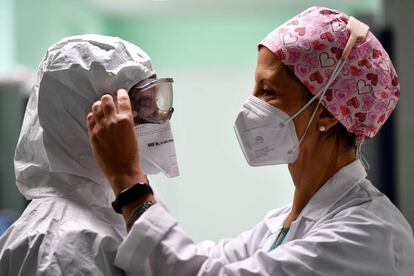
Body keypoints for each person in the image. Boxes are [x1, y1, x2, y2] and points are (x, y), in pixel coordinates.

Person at [88, 7, 414, 275]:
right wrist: (135, 172)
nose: (250, 105)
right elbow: (200, 260)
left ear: (327, 113)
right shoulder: (283, 222)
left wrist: (128, 180)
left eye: (267, 91)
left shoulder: (368, 236)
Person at [0, 34, 179, 275]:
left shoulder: (121, 205)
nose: (158, 116)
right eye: (145, 102)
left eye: (157, 99)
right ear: (90, 115)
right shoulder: (60, 242)